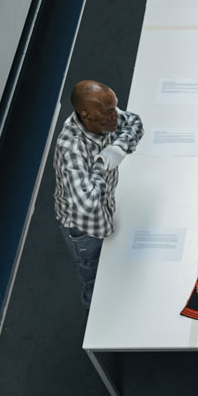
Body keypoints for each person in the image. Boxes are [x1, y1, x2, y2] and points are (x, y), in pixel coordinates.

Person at [53, 80, 144, 309]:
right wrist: (103, 163)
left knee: (115, 264)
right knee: (92, 274)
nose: (116, 116)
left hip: (107, 206)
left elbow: (134, 122)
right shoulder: (70, 149)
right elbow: (88, 204)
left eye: (115, 108)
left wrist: (119, 147)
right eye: (108, 111)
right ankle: (93, 312)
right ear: (86, 114)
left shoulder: (103, 117)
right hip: (84, 228)